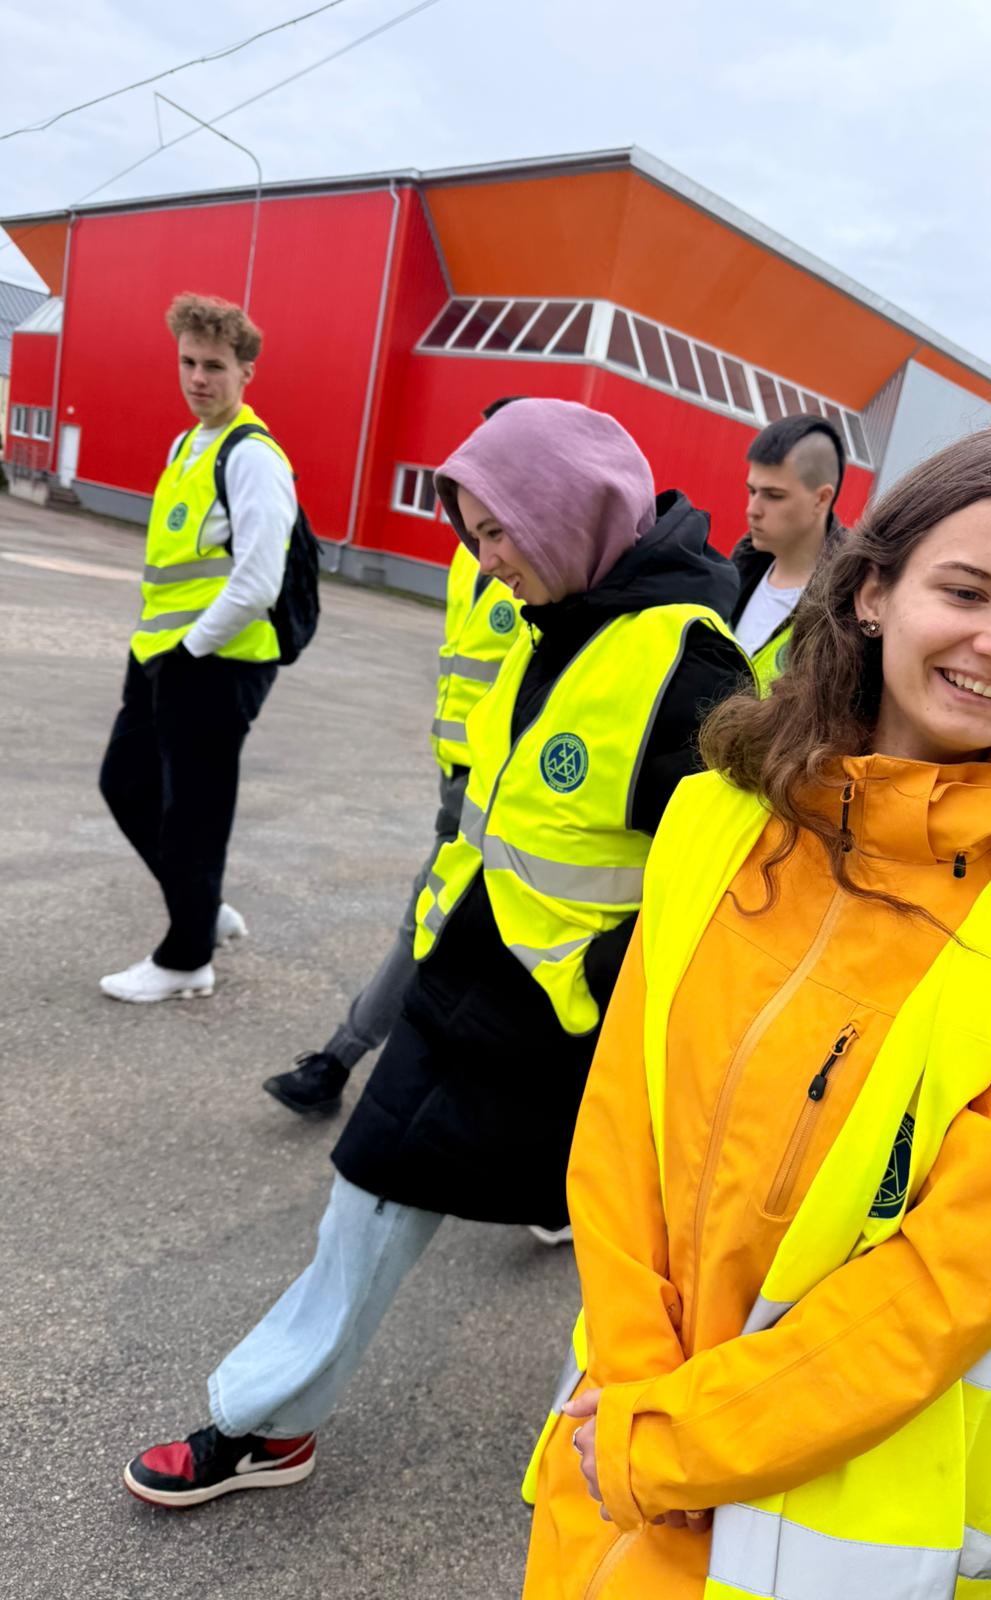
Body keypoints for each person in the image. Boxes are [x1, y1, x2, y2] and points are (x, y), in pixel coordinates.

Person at [522, 426, 991, 1599]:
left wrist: (677, 1443)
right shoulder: (716, 818)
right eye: (968, 590)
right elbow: (622, 1124)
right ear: (875, 591)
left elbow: (944, 1288)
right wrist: (634, 1394)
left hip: (815, 1532)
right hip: (614, 1462)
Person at [123, 397, 747, 1508]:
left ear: (567, 515)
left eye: (498, 532)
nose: (485, 560)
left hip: (579, 1037)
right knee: (367, 1193)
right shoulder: (554, 623)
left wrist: (605, 985)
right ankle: (268, 1422)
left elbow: (731, 885)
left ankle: (611, 1474)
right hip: (466, 994)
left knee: (627, 1265)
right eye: (474, 534)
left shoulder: (691, 671)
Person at [263, 446, 524, 1116]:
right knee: (445, 926)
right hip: (458, 770)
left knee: (428, 920)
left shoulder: (537, 564)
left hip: (499, 782)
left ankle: (339, 1059)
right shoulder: (475, 555)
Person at [98, 292, 297, 1002]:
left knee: (194, 814)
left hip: (215, 663)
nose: (198, 378)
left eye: (214, 365)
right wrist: (162, 652)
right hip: (161, 654)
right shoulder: (187, 446)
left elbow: (259, 581)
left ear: (246, 372)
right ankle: (202, 910)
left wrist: (188, 652)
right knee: (125, 783)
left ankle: (186, 959)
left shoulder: (253, 458)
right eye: (187, 362)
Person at [730, 414, 844, 690]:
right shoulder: (737, 571)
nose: (752, 510)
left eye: (774, 495)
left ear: (821, 499)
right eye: (752, 491)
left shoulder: (845, 609)